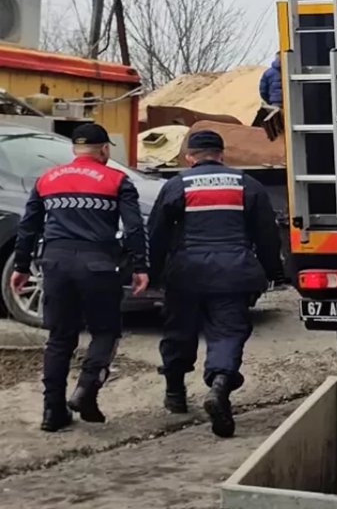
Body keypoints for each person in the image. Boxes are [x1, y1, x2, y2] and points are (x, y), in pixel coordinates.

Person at [11, 124, 149, 432]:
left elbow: (29, 226)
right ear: (104, 150)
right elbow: (134, 228)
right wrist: (140, 266)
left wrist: (21, 266)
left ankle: (52, 412)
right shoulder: (117, 180)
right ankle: (87, 388)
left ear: (75, 149)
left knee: (59, 339)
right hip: (99, 265)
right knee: (106, 331)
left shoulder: (47, 179)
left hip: (55, 265)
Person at [149, 130, 284, 438]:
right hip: (233, 274)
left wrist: (153, 272)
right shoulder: (246, 184)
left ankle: (175, 395)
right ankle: (220, 386)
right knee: (227, 333)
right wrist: (274, 271)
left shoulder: (175, 185)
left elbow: (156, 232)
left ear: (189, 157)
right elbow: (266, 234)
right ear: (222, 154)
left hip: (185, 274)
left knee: (178, 333)